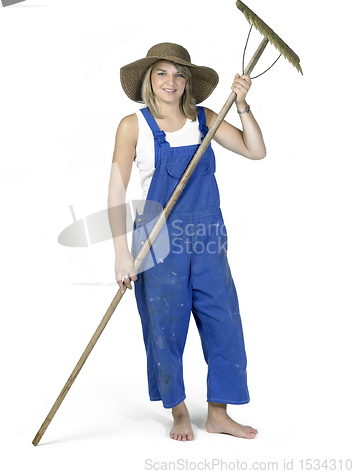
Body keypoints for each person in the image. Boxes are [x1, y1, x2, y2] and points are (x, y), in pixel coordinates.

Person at [108, 42, 266, 442]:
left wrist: (243, 104)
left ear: (188, 81)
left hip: (209, 239)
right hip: (158, 241)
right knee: (165, 326)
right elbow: (115, 192)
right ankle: (178, 411)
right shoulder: (133, 126)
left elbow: (256, 150)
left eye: (179, 74)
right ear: (148, 79)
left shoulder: (206, 119)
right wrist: (121, 254)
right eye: (162, 72)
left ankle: (218, 414)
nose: (171, 81)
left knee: (223, 322)